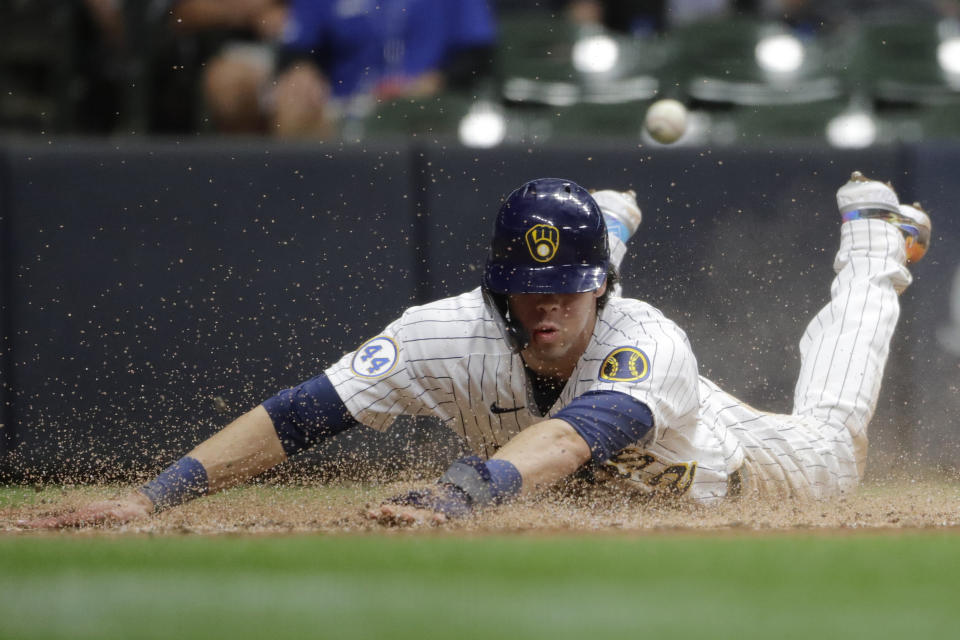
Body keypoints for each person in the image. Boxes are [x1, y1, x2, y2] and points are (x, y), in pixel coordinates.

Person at [21, 171, 931, 528]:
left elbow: (574, 438)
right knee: (553, 302)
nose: (544, 304)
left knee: (836, 441)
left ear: (603, 287)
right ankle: (596, 222)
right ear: (496, 283)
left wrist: (462, 490)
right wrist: (156, 495)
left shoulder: (645, 336)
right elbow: (303, 415)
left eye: (571, 284)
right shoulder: (445, 330)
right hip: (611, 383)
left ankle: (876, 240)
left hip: (727, 464)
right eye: (523, 286)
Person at [202, 0, 497, 137]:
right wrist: (301, 70)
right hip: (345, 110)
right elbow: (296, 49)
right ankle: (298, 217)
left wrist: (432, 82)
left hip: (426, 108)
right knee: (290, 100)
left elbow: (477, 55)